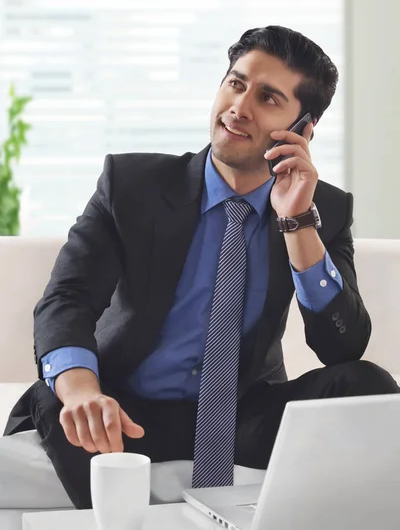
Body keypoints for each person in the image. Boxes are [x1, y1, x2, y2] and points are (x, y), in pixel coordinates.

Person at [4, 25, 399, 509]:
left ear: (303, 130)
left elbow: (343, 347)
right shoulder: (132, 185)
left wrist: (297, 222)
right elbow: (68, 298)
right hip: (123, 410)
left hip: (240, 417)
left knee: (368, 387)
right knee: (59, 395)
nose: (240, 107)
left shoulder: (324, 210)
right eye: (236, 84)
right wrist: (83, 391)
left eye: (268, 98)